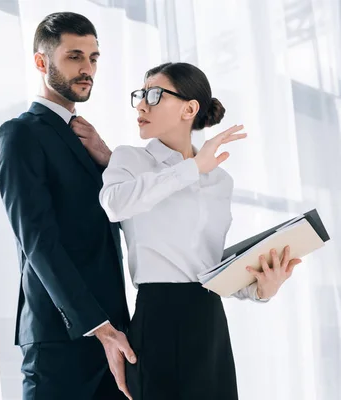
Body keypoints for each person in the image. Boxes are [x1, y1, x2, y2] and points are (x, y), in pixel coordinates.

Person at [73, 62, 302, 400]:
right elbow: (114, 205)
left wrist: (260, 290)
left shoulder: (221, 181)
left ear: (189, 108)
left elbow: (208, 269)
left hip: (210, 322)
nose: (141, 104)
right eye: (140, 95)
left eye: (154, 95)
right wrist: (192, 168)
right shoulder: (130, 159)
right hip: (157, 317)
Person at [0, 12, 135, 400]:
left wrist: (109, 160)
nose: (87, 68)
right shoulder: (19, 134)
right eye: (75, 56)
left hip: (115, 336)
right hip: (59, 338)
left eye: (93, 58)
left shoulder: (88, 140)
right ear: (42, 63)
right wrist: (98, 326)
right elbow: (37, 241)